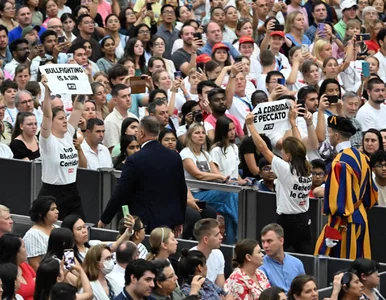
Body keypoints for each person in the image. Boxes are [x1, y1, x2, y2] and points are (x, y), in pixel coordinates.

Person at [99, 116, 187, 236]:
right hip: (170, 219)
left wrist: (105, 219)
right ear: (158, 132)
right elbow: (182, 189)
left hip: (145, 223)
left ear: (141, 133)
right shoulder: (174, 156)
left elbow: (121, 191)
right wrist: (180, 219)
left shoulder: (135, 160)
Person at [245, 113, 313, 254]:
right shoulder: (306, 165)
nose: (281, 152)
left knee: (272, 255)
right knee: (307, 258)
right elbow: (299, 143)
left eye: (283, 151)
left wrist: (250, 125)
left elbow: (264, 149)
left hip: (287, 222)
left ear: (288, 155)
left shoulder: (286, 169)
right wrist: (293, 122)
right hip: (304, 220)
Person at [315, 116, 378, 259]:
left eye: (329, 132)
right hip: (361, 217)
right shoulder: (363, 157)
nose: (328, 135)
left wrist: (332, 231)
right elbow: (371, 194)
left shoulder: (339, 163)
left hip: (345, 223)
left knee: (343, 266)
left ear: (336, 136)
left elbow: (337, 203)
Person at [180, 123, 238, 244]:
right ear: (190, 136)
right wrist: (219, 176)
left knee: (230, 200)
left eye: (202, 132)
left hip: (208, 192)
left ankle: (232, 243)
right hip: (193, 195)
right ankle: (240, 222)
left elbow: (216, 174)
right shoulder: (185, 153)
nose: (201, 135)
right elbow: (198, 175)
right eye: (197, 133)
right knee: (228, 196)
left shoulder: (206, 154)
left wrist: (225, 180)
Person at [38, 79, 86, 221]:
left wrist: (83, 84)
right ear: (52, 122)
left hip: (72, 190)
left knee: (79, 227)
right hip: (52, 193)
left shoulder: (69, 133)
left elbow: (78, 108)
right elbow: (47, 114)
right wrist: (47, 91)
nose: (65, 121)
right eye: (60, 119)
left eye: (65, 117)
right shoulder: (47, 140)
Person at [259, 223, 305, 293]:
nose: (265, 246)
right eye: (263, 242)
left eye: (269, 241)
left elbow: (304, 290)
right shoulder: (261, 266)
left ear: (281, 241)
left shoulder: (297, 263)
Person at [23, 196, 59, 271]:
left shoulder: (58, 228)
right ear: (40, 214)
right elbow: (35, 266)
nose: (57, 211)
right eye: (52, 209)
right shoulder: (32, 235)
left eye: (56, 208)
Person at [190, 219, 225, 288]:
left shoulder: (218, 254)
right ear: (205, 239)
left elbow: (221, 287)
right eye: (217, 235)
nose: (221, 237)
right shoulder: (189, 259)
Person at [0, 233, 35, 300]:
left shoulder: (24, 266)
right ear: (15, 252)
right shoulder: (4, 274)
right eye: (23, 246)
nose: (26, 249)